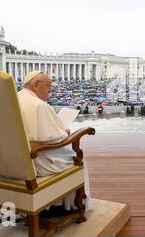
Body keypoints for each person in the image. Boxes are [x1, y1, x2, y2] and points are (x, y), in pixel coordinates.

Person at [18, 71, 92, 217]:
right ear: (36, 85)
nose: (50, 90)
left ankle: (54, 204)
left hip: (15, 162)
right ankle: (68, 207)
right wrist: (65, 132)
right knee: (77, 159)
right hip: (36, 162)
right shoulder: (39, 105)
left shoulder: (14, 98)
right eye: (48, 85)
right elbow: (55, 138)